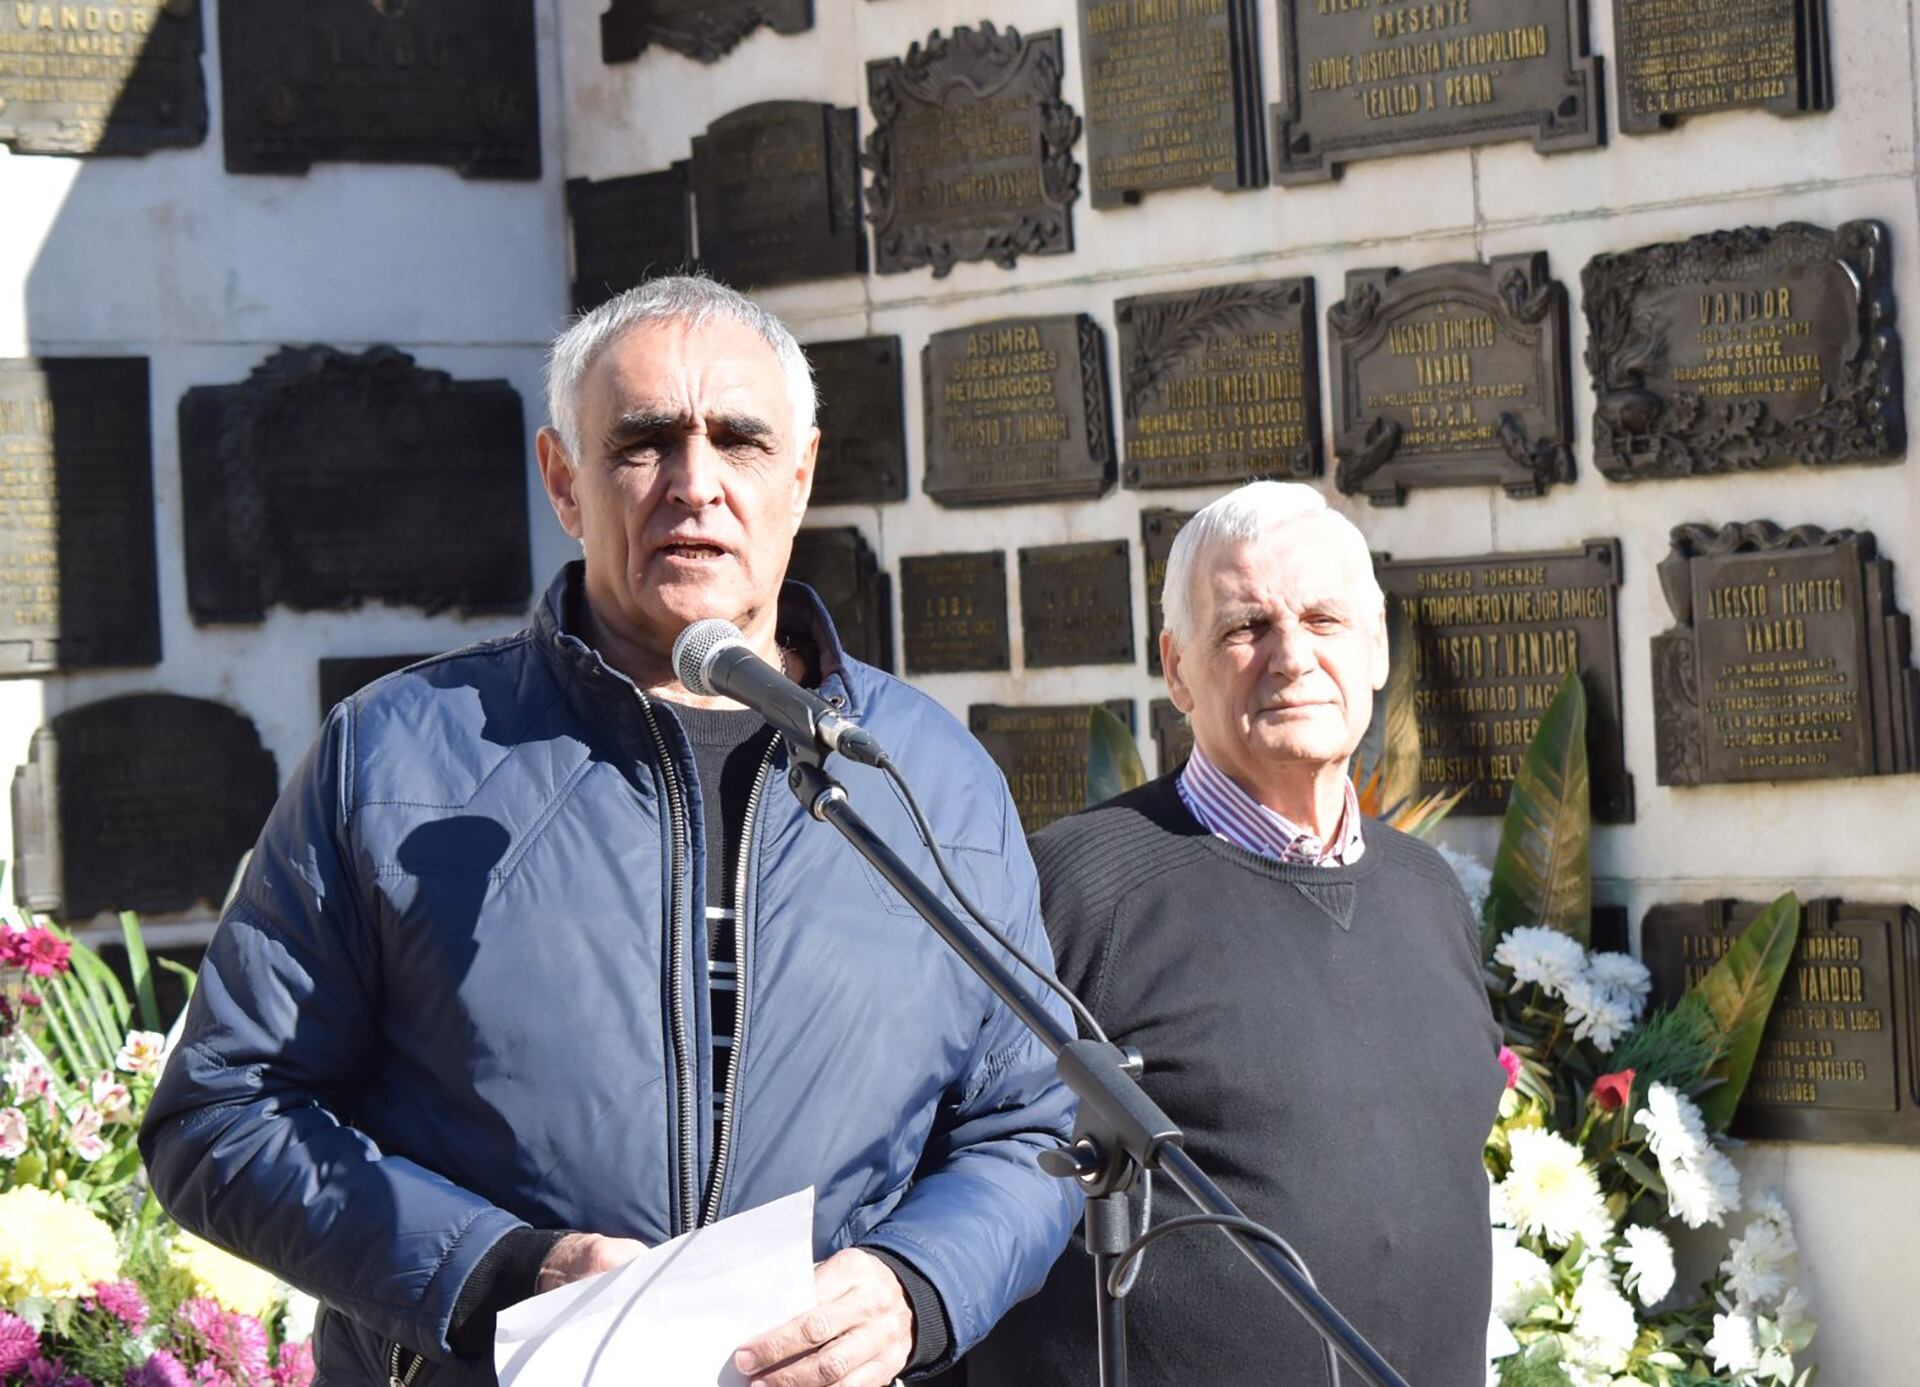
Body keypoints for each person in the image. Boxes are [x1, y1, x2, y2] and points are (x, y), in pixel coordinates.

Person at [140, 276, 1078, 1387]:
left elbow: (1034, 1128)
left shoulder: (930, 778)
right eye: (643, 443)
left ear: (801, 474)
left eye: (738, 439)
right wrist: (493, 1272)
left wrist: (915, 1285)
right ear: (563, 481)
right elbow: (225, 1115)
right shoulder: (393, 756)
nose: (695, 485)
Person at [956, 482, 1503, 1386]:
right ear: (1178, 669)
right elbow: (964, 1182)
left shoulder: (1427, 891)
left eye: (1325, 619)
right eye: (1247, 627)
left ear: (1374, 650)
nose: (1292, 657)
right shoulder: (1079, 892)